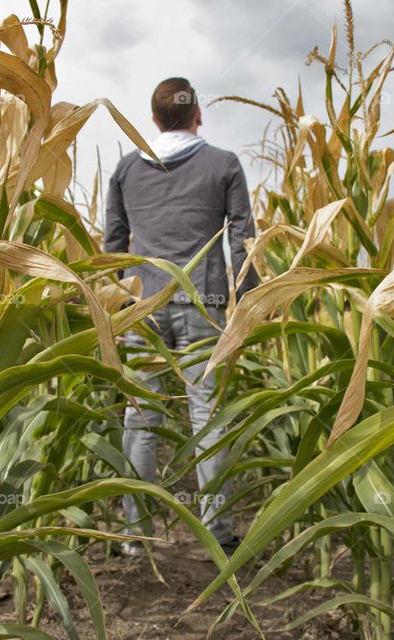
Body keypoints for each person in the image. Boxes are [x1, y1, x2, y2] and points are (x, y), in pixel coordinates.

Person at [104, 77, 259, 557]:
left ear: (153, 120)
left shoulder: (127, 169)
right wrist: (250, 302)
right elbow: (243, 241)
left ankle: (136, 534)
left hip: (143, 308)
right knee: (206, 413)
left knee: (141, 417)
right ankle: (217, 532)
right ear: (198, 116)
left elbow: (112, 248)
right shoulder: (224, 164)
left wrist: (123, 305)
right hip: (205, 306)